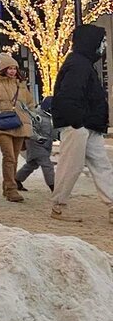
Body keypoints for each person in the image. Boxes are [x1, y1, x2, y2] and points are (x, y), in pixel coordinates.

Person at [49, 24, 113, 223]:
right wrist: (77, 122)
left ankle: (112, 204)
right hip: (80, 126)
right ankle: (58, 207)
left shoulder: (81, 63)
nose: (103, 46)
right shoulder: (79, 65)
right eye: (101, 42)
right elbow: (69, 96)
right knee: (71, 166)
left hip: (87, 125)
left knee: (101, 165)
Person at [0, 53, 33, 203]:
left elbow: (30, 104)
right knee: (9, 156)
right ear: (2, 69)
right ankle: (11, 189)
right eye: (9, 68)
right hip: (1, 124)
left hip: (19, 124)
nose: (12, 71)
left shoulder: (20, 84)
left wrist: (31, 120)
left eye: (14, 68)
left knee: (14, 158)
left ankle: (7, 186)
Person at [16, 95, 56, 192]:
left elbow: (54, 131)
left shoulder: (50, 118)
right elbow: (31, 130)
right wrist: (37, 138)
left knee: (32, 164)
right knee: (47, 165)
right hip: (36, 144)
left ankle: (16, 179)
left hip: (45, 145)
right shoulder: (37, 117)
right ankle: (53, 186)